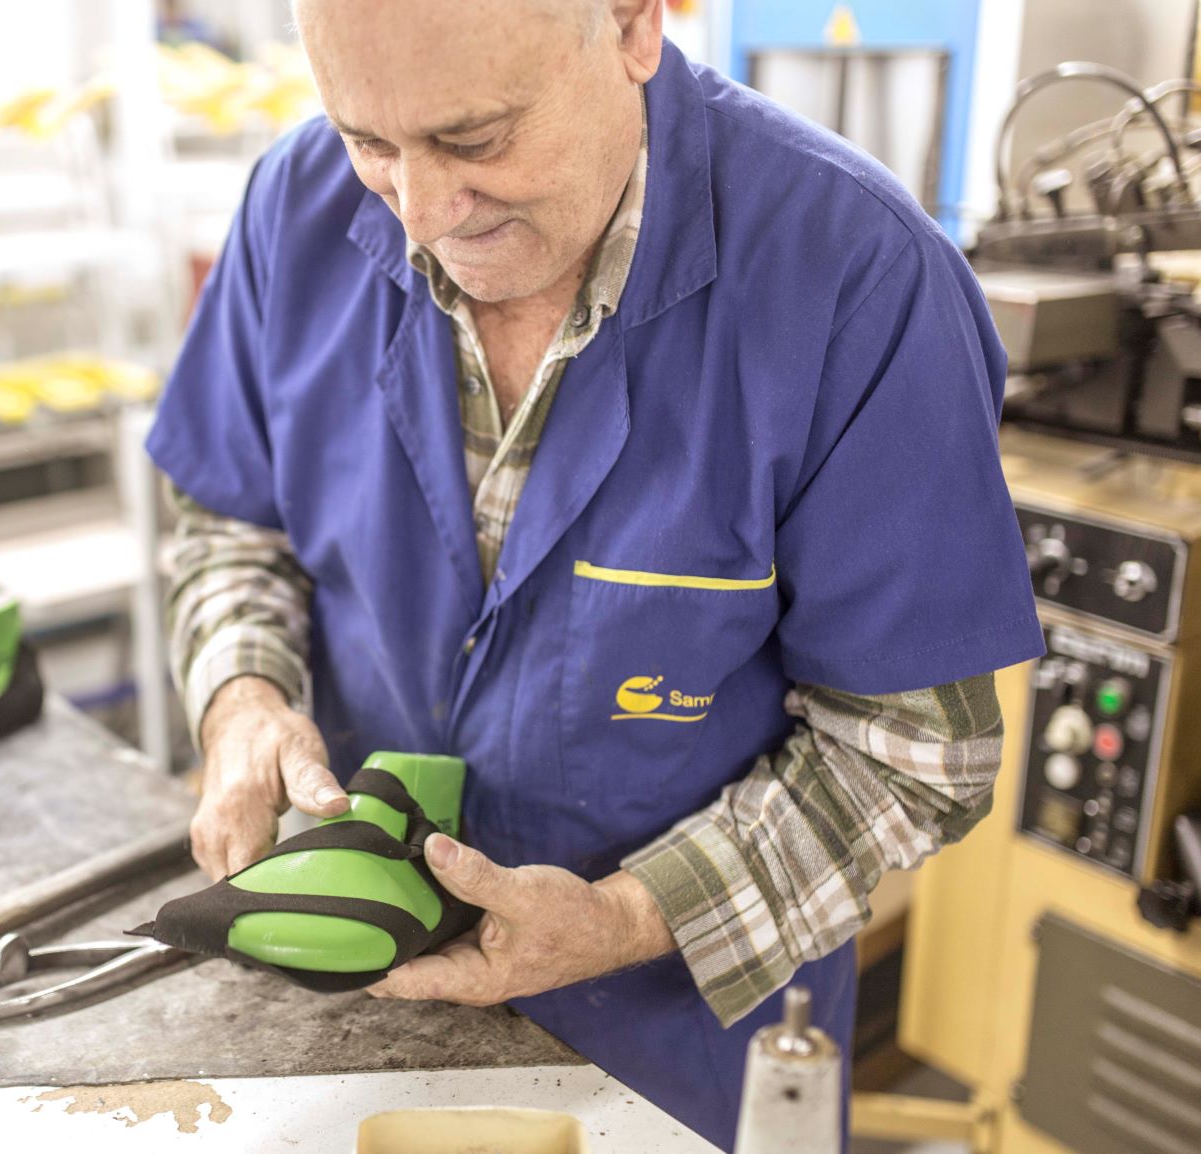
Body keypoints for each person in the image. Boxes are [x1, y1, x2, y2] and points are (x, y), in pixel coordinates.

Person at [145, 0, 1045, 1145]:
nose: (420, 211)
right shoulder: (293, 202)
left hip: (667, 1055)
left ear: (629, 21)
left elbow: (915, 756)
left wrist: (623, 916)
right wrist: (242, 700)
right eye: (368, 140)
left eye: (474, 139)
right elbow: (229, 521)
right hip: (342, 1022)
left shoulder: (860, 282)